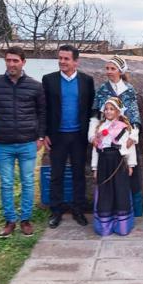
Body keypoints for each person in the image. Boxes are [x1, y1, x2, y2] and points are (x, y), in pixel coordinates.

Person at [0, 46, 46, 237]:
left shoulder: (35, 86)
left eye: (15, 60)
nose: (11, 64)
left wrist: (40, 136)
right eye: (8, 60)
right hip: (3, 143)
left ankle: (26, 219)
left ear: (23, 62)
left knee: (28, 182)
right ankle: (10, 220)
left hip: (27, 143)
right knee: (6, 183)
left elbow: (42, 113)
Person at [42, 45, 96, 228]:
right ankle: (56, 211)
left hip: (79, 136)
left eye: (66, 59)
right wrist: (44, 134)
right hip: (57, 136)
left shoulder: (86, 81)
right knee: (56, 174)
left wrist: (92, 132)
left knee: (78, 174)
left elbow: (91, 109)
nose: (62, 62)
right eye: (60, 58)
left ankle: (78, 209)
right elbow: (44, 109)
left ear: (75, 61)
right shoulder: (49, 80)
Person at [89, 55, 143, 217]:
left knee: (130, 173)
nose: (109, 72)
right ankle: (108, 209)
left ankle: (131, 210)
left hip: (125, 137)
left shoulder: (129, 89)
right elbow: (95, 113)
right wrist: (93, 134)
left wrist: (133, 135)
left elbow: (134, 113)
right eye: (107, 68)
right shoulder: (102, 90)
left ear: (120, 71)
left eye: (112, 69)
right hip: (105, 139)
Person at [90, 97, 137, 236]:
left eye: (112, 109)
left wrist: (131, 164)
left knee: (120, 191)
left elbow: (130, 147)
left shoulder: (123, 128)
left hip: (119, 163)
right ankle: (105, 226)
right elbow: (96, 150)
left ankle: (122, 226)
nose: (109, 112)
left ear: (118, 112)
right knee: (105, 192)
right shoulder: (100, 127)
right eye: (106, 109)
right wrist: (95, 168)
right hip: (103, 163)